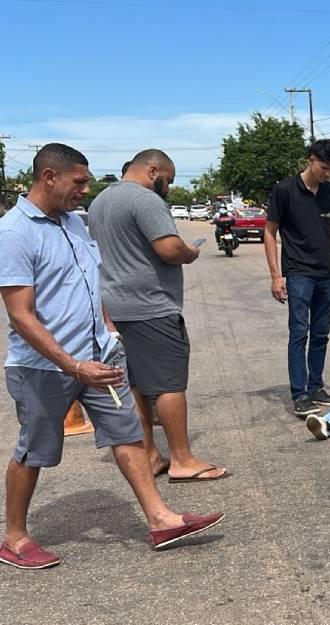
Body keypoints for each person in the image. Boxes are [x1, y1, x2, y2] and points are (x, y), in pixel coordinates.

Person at [0, 144, 223, 569]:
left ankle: (161, 519)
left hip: (98, 358)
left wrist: (108, 331)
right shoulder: (14, 233)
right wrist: (72, 365)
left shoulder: (72, 223)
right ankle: (14, 537)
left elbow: (91, 281)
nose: (86, 190)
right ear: (49, 176)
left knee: (128, 434)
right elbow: (20, 315)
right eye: (79, 182)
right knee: (35, 450)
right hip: (44, 367)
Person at [88, 149, 228, 483]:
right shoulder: (146, 201)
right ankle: (182, 459)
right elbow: (168, 249)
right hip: (152, 307)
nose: (169, 186)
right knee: (169, 385)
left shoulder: (99, 202)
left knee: (135, 385)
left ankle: (149, 455)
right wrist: (190, 252)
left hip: (115, 308)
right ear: (154, 171)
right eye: (169, 179)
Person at [264, 139, 330, 417]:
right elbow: (269, 232)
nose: (327, 174)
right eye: (324, 167)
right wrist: (276, 276)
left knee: (321, 334)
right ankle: (299, 394)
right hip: (298, 274)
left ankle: (316, 386)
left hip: (325, 275)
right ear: (310, 159)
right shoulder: (284, 190)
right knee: (299, 333)